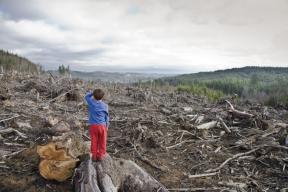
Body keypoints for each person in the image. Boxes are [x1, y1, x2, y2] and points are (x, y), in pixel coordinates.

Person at [85, 89, 109, 161]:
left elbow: (86, 97)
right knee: (102, 141)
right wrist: (107, 126)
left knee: (94, 141)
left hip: (93, 126)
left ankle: (94, 156)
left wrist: (92, 93)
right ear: (102, 97)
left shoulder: (91, 103)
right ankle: (100, 155)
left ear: (94, 96)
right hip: (102, 126)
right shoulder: (105, 106)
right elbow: (106, 117)